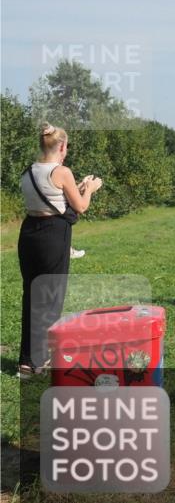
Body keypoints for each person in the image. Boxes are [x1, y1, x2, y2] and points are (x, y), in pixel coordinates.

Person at [18, 123, 103, 378]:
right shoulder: (62, 171)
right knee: (51, 299)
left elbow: (52, 198)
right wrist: (90, 188)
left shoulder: (28, 170)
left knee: (31, 296)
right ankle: (41, 361)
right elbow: (80, 207)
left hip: (29, 233)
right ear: (62, 147)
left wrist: (75, 188)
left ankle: (26, 362)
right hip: (53, 236)